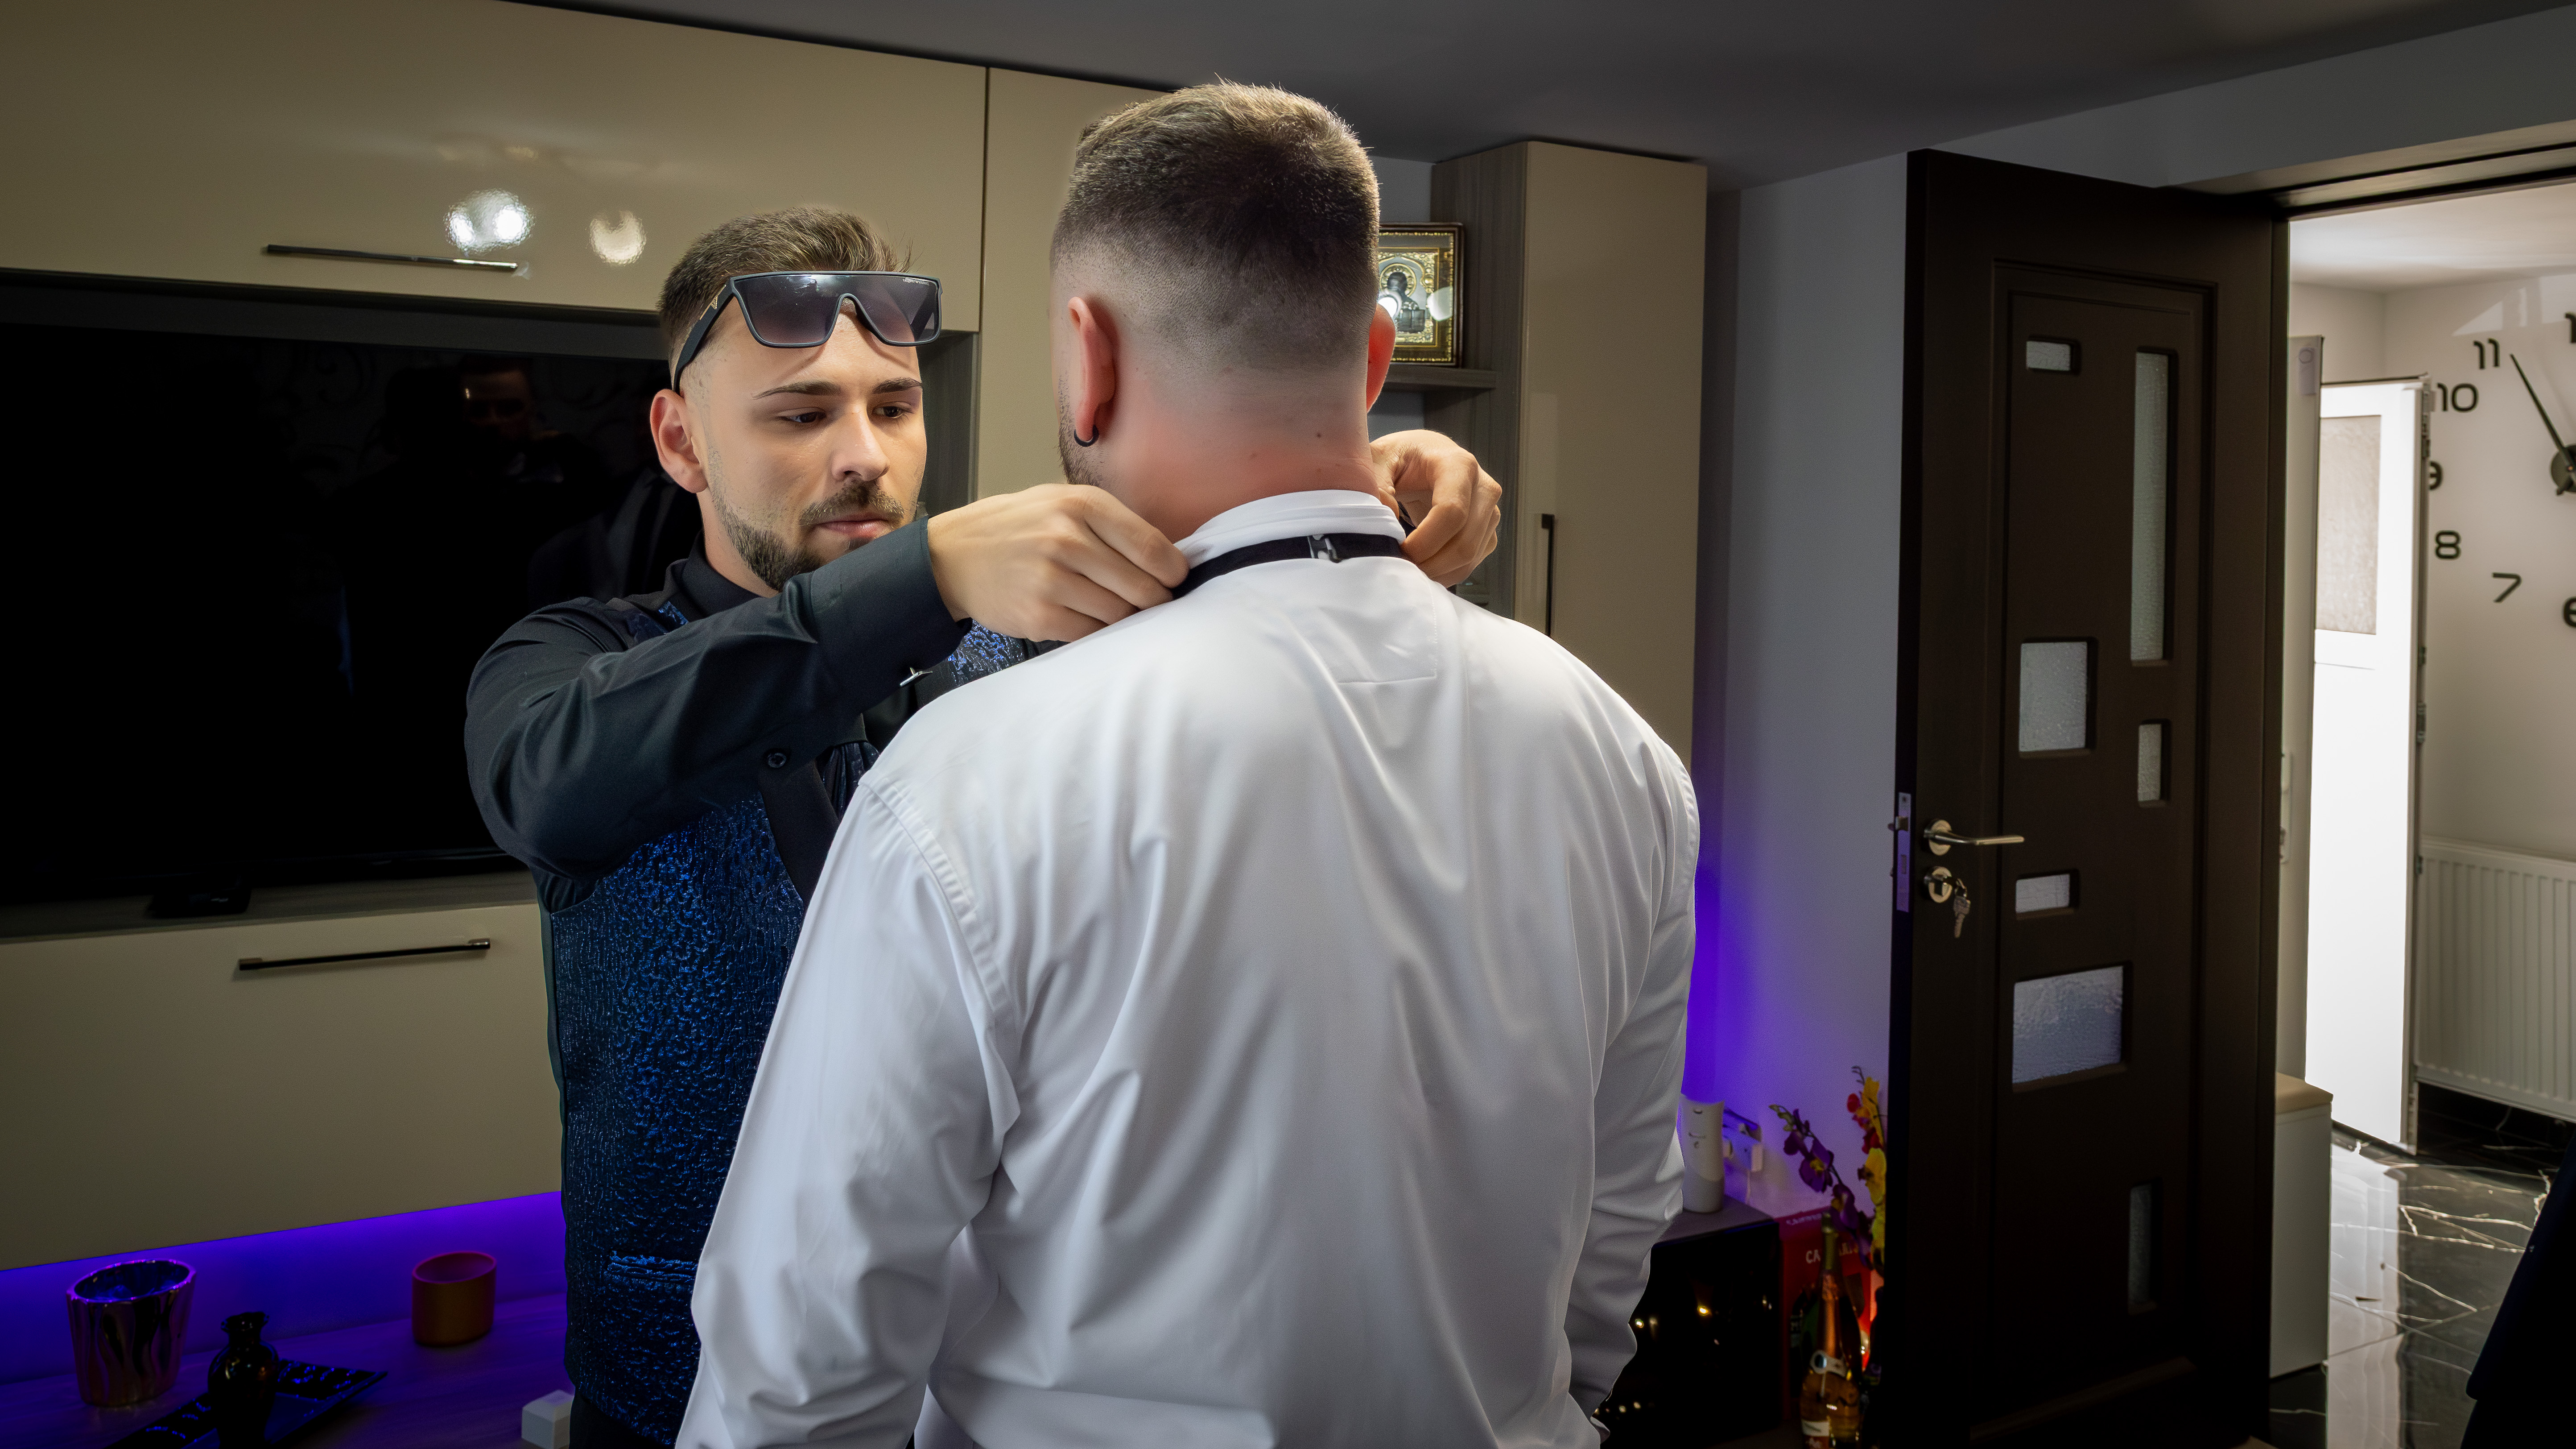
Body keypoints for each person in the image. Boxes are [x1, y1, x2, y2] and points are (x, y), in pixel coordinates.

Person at [680, 87, 1696, 1449]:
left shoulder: (970, 782)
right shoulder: (1624, 753)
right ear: (1377, 357)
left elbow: (803, 1359)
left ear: (1085, 356)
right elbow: (1621, 1218)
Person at [462, 205, 1501, 1449]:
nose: (866, 456)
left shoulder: (1022, 643)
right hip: (672, 1390)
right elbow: (549, 785)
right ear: (681, 441)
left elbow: (1242, 563)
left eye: (894, 406)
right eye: (801, 415)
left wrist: (1356, 483)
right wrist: (929, 575)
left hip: (992, 1389)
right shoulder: (574, 661)